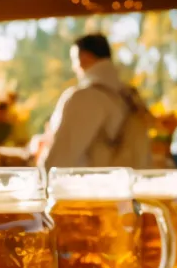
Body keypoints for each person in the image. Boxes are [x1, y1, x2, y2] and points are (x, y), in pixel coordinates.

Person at [37, 34, 130, 169]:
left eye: (74, 60)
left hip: (90, 187)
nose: (74, 68)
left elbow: (59, 160)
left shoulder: (85, 98)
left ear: (84, 58)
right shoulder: (127, 97)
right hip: (121, 184)